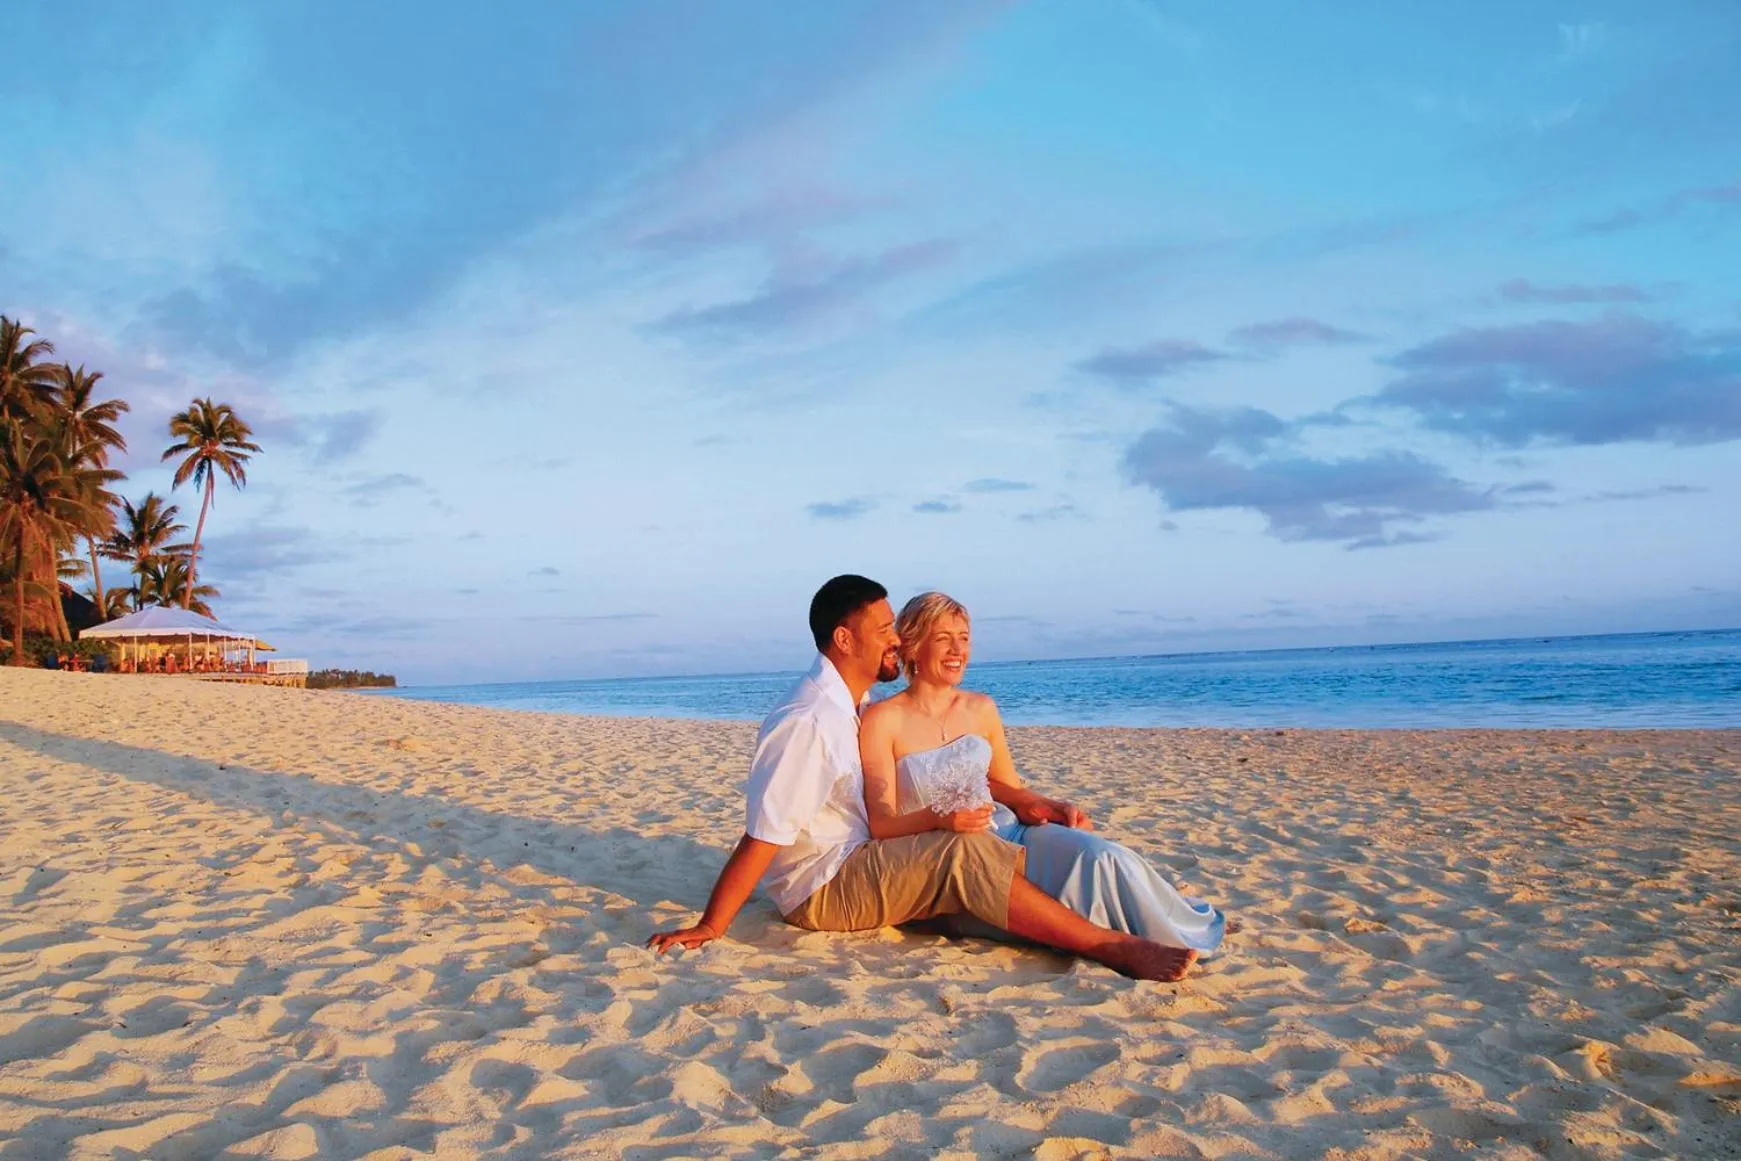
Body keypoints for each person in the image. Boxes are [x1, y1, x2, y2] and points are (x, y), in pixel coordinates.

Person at [647, 575, 1197, 981]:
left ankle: (1106, 914)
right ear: (844, 640)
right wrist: (713, 925)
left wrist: (1030, 802)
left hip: (867, 859)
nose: (895, 640)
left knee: (1050, 849)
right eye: (886, 630)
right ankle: (1111, 948)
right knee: (960, 852)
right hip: (824, 887)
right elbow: (765, 832)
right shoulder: (809, 721)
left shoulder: (853, 704)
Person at [860, 591, 1226, 956]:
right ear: (912, 645)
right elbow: (882, 824)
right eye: (943, 638)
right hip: (954, 858)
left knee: (1104, 857)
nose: (958, 650)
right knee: (1070, 900)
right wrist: (941, 820)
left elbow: (1008, 787)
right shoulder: (883, 719)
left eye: (964, 638)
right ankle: (1127, 944)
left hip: (1011, 831)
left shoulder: (981, 708)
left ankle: (1180, 926)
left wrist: (1047, 806)